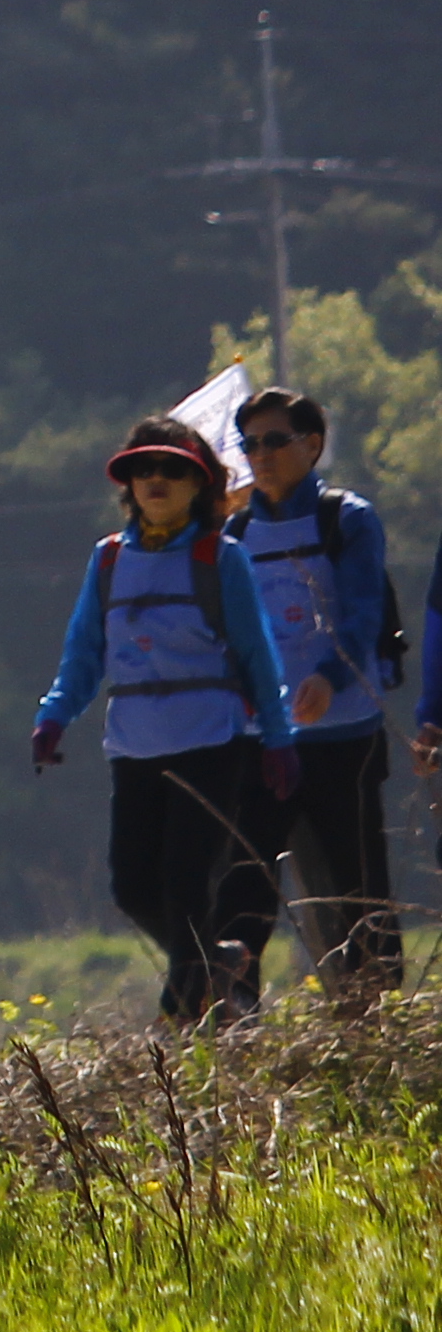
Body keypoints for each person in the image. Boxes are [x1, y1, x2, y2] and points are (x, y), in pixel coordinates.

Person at [32, 413, 301, 1026]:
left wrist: (279, 739)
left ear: (199, 483)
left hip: (211, 741)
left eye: (173, 469)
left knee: (186, 883)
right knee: (131, 885)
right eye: (143, 469)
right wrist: (54, 717)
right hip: (133, 744)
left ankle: (180, 1019)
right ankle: (215, 963)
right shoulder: (106, 561)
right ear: (128, 484)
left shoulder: (220, 558)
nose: (157, 480)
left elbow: (259, 654)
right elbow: (84, 654)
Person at [228, 386, 402, 1002]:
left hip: (343, 735)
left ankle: (370, 1020)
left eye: (275, 440)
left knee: (357, 889)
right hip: (264, 741)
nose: (262, 455)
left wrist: (329, 677)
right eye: (250, 444)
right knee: (243, 886)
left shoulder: (347, 519)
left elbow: (361, 613)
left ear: (313, 444)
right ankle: (233, 1015)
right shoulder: (237, 533)